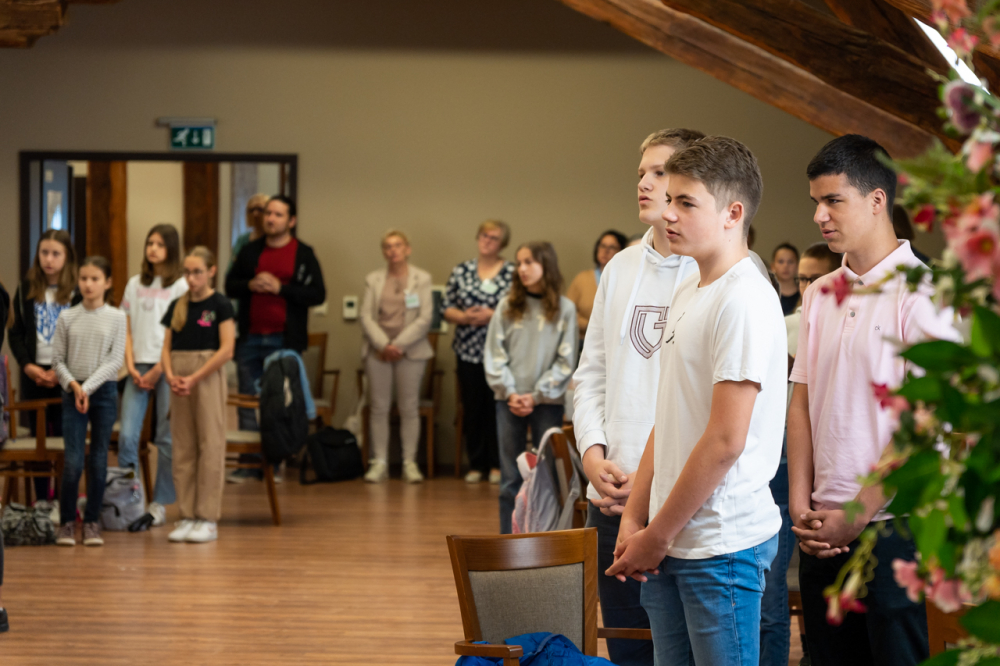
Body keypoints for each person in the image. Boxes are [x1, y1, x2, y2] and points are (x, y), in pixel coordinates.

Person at [608, 136, 786, 665]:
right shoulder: (691, 288)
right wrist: (634, 517)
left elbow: (726, 440)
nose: (668, 214)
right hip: (669, 534)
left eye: (686, 203)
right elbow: (668, 418)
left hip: (718, 543)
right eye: (669, 200)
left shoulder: (744, 297)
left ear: (733, 214)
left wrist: (656, 535)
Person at [788, 135, 958, 666]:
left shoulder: (924, 292)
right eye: (816, 201)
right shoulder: (820, 292)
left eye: (833, 200)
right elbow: (801, 402)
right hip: (822, 523)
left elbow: (926, 423)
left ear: (877, 199)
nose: (819, 215)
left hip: (894, 524)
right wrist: (800, 503)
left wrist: (857, 512)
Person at [573, 128, 703, 666]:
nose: (644, 183)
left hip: (682, 503)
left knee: (681, 653)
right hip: (612, 494)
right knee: (628, 650)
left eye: (659, 172)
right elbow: (591, 376)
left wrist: (650, 486)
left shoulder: (716, 270)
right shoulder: (620, 267)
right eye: (641, 172)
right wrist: (593, 457)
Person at [759, 241, 841, 666]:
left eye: (815, 277)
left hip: (815, 465)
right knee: (772, 584)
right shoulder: (784, 321)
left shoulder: (838, 321)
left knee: (787, 582)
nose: (807, 286)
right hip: (776, 460)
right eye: (803, 278)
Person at [225, 195, 326, 482]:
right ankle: (249, 464)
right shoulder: (249, 251)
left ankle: (275, 464)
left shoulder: (303, 253)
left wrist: (282, 289)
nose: (270, 218)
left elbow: (318, 294)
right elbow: (229, 286)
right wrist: (249, 284)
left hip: (284, 340)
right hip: (250, 338)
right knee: (247, 401)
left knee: (279, 404)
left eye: (278, 214)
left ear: (291, 221)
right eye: (268, 213)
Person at [484, 241, 577, 534]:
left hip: (546, 403)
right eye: (519, 263)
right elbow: (494, 354)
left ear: (545, 265)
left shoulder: (565, 308)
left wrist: (536, 395)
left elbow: (566, 360)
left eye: (529, 262)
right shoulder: (507, 306)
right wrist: (511, 392)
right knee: (510, 479)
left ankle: (545, 542)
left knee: (548, 477)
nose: (521, 269)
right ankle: (508, 543)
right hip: (509, 401)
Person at [162, 247, 235, 543]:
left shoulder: (220, 304)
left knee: (210, 444)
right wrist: (170, 375)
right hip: (178, 378)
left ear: (211, 271)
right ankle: (187, 514)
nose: (191, 278)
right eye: (187, 272)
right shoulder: (177, 305)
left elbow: (227, 349)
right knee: (183, 447)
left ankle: (207, 518)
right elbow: (166, 347)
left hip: (205, 376)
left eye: (197, 272)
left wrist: (194, 377)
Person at [52, 256, 127, 547]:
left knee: (98, 459)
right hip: (72, 391)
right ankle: (67, 522)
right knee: (72, 461)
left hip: (104, 392)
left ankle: (92, 521)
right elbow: (58, 361)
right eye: (83, 278)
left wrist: (87, 388)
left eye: (95, 279)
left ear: (107, 283)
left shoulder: (117, 317)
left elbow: (115, 360)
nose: (88, 284)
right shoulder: (67, 317)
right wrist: (75, 386)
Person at [118, 225, 188, 529]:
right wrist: (131, 366)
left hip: (167, 367)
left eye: (160, 244)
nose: (153, 249)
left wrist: (160, 368)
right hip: (137, 369)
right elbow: (125, 328)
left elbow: (179, 332)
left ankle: (160, 503)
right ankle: (130, 500)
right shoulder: (134, 283)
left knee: (166, 437)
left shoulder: (181, 286)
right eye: (150, 243)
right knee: (127, 436)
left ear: (171, 249)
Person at [442, 220, 516, 485]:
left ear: (502, 243)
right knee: (472, 409)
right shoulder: (461, 270)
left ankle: (497, 464)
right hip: (468, 351)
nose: (487, 240)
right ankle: (476, 464)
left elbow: (520, 309)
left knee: (497, 408)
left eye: (494, 237)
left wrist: (493, 315)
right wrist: (464, 317)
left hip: (501, 353)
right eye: (484, 235)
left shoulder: (512, 272)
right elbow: (446, 307)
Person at [9, 229, 81, 502]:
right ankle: (41, 499)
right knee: (38, 439)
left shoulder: (77, 291)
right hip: (35, 375)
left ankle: (64, 500)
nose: (49, 259)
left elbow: (83, 336)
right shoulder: (26, 288)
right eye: (44, 253)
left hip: (67, 376)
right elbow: (15, 332)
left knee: (65, 438)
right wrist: (27, 365)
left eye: (55, 254)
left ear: (67, 257)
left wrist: (62, 371)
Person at [360, 230, 434, 484]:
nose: (393, 250)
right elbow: (366, 316)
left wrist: (398, 345)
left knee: (409, 407)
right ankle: (379, 462)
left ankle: (409, 462)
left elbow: (425, 318)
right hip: (378, 351)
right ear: (383, 252)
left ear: (407, 249)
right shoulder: (373, 279)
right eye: (388, 246)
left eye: (398, 245)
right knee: (378, 407)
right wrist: (384, 344)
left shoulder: (422, 278)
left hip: (411, 351)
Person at [566, 230, 627, 340]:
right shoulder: (582, 278)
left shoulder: (625, 280)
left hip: (615, 340)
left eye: (612, 247)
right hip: (583, 340)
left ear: (621, 251)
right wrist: (589, 325)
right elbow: (567, 311)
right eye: (603, 246)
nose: (606, 251)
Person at [228, 193, 269, 274]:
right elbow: (231, 269)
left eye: (260, 209)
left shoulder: (273, 240)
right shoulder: (242, 240)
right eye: (251, 210)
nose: (255, 214)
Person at [771, 242, 800, 315]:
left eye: (790, 262)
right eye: (781, 262)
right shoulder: (766, 294)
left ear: (798, 266)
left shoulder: (804, 295)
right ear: (773, 266)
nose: (785, 266)